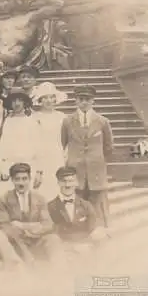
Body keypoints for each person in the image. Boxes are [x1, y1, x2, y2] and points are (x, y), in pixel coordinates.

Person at [61, 85, 114, 228]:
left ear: (93, 101)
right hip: (75, 169)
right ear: (76, 101)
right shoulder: (67, 121)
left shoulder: (102, 121)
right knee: (78, 202)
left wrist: (98, 160)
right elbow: (62, 143)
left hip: (96, 169)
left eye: (88, 99)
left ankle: (100, 230)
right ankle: (78, 231)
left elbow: (108, 147)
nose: (84, 102)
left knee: (97, 202)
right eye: (81, 99)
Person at [0, 163, 67, 265]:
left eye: (24, 179)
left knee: (53, 239)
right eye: (17, 179)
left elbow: (47, 224)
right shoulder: (3, 199)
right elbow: (4, 226)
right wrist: (34, 226)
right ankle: (29, 262)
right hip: (16, 242)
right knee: (12, 234)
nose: (21, 183)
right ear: (12, 180)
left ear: (29, 179)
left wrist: (23, 226)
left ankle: (60, 268)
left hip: (37, 239)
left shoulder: (39, 198)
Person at [0, 0, 64, 67]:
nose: (5, 3)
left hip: (15, 56)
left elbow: (59, 4)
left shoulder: (31, 18)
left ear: (18, 1)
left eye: (8, 0)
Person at [0, 88, 42, 205]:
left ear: (24, 102)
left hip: (29, 167)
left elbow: (39, 148)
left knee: (30, 201)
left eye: (20, 100)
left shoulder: (32, 121)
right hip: (7, 167)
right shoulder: (3, 122)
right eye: (14, 101)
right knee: (0, 198)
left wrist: (39, 171)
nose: (17, 104)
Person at [47, 166, 108, 253]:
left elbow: (93, 227)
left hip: (85, 249)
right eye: (64, 181)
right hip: (63, 251)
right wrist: (72, 248)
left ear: (76, 182)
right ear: (58, 183)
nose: (67, 185)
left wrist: (86, 245)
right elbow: (51, 235)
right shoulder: (50, 207)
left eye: (71, 181)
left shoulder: (86, 205)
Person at [33, 82, 68, 202]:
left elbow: (66, 139)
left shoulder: (62, 117)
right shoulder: (35, 117)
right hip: (40, 156)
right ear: (40, 100)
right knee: (42, 188)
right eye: (45, 98)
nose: (48, 101)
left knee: (58, 185)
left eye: (51, 97)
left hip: (58, 155)